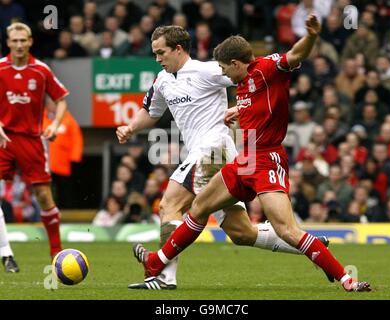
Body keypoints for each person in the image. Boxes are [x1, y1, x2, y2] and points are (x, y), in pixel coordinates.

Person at [134, 16, 371, 292]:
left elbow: (295, 54)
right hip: (243, 159)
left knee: (286, 229)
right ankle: (156, 262)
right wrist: (238, 110)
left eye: (224, 69)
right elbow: (255, 105)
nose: (223, 75)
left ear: (235, 64)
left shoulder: (267, 68)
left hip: (266, 160)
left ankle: (347, 279)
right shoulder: (242, 82)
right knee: (209, 215)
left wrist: (312, 36)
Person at [0, 22, 69, 267]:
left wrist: (54, 124)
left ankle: (56, 254)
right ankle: (6, 252)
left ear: (30, 42)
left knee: (43, 195)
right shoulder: (0, 68)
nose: (19, 45)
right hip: (3, 138)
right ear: (8, 43)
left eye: (23, 40)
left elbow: (61, 100)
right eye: (14, 40)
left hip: (31, 139)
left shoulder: (41, 70)